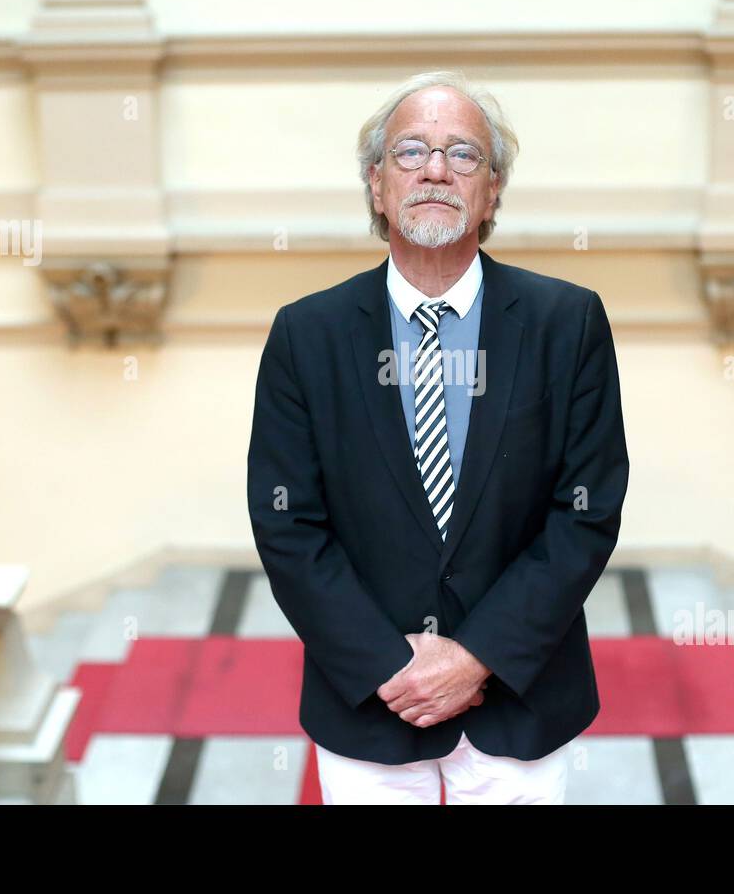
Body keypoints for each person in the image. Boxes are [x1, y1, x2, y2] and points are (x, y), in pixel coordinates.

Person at [246, 70, 629, 803]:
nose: (434, 170)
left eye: (462, 154)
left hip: (519, 700)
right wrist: (389, 666)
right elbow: (287, 523)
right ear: (376, 184)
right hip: (369, 701)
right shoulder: (307, 334)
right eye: (411, 151)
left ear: (492, 191)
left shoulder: (567, 323)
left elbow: (585, 511)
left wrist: (477, 656)